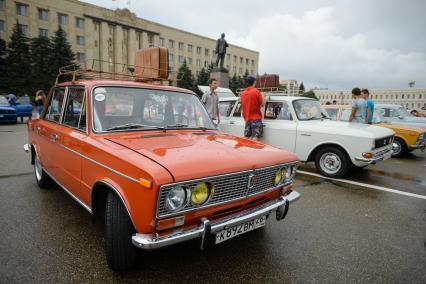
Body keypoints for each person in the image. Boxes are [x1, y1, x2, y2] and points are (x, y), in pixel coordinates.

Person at [240, 76, 265, 141]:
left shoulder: (242, 94)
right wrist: (263, 96)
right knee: (255, 139)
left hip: (247, 119)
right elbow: (262, 104)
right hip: (256, 119)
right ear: (254, 82)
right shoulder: (256, 92)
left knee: (246, 138)